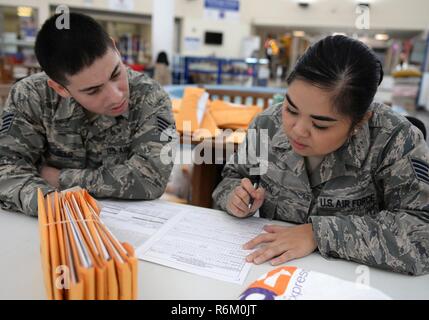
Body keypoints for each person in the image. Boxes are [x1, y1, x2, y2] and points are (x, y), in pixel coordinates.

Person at [213, 35, 429, 275]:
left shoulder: (394, 140)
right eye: (291, 109)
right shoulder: (267, 124)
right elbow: (232, 177)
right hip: (268, 271)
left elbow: (422, 233)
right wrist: (235, 198)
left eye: (320, 125)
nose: (298, 129)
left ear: (359, 121)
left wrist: (319, 234)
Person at [0, 13, 177, 217]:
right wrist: (48, 201)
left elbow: (152, 178)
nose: (116, 96)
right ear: (60, 88)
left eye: (115, 74)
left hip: (129, 225)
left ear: (114, 47)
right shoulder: (31, 96)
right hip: (48, 225)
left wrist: (61, 178)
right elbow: (6, 166)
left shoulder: (150, 96)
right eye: (93, 90)